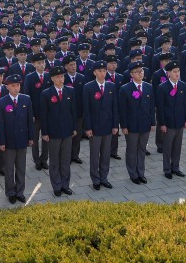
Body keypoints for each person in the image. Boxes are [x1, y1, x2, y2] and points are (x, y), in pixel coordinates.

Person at [0, 74, 35, 203]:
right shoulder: (1, 102)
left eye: (18, 85)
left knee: (21, 168)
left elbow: (30, 120)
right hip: (9, 142)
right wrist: (2, 142)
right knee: (9, 169)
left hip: (22, 140)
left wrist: (31, 137)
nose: (16, 88)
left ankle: (20, 191)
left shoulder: (26, 99)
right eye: (13, 85)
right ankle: (10, 192)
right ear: (7, 87)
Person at [40, 65, 76, 196]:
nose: (61, 79)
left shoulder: (70, 91)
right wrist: (44, 133)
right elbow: (43, 115)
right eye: (58, 77)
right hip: (53, 132)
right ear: (52, 78)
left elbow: (73, 111)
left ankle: (65, 185)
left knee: (65, 160)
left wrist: (74, 128)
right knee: (54, 161)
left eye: (62, 76)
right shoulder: (46, 94)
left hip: (67, 132)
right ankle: (56, 185)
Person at [82, 60, 118, 190]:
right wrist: (88, 128)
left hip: (108, 126)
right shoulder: (88, 87)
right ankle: (95, 179)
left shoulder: (111, 86)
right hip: (95, 127)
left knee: (106, 154)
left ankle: (104, 178)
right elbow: (86, 110)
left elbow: (115, 107)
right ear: (94, 72)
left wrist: (115, 126)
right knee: (94, 154)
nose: (103, 73)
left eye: (104, 71)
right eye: (100, 71)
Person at [117, 61, 154, 184]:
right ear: (131, 74)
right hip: (132, 125)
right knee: (132, 150)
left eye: (142, 71)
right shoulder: (125, 89)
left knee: (142, 149)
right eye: (137, 72)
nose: (140, 74)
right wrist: (124, 126)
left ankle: (141, 172)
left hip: (145, 124)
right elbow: (122, 109)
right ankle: (133, 174)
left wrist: (153, 123)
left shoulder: (148, 87)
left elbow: (151, 107)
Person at [155, 60, 186, 179]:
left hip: (179, 121)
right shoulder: (163, 87)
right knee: (167, 147)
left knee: (177, 147)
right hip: (168, 123)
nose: (177, 74)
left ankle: (176, 167)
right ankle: (167, 169)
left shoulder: (183, 85)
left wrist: (185, 120)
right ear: (168, 73)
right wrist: (162, 123)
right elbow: (161, 107)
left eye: (178, 71)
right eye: (174, 72)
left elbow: (185, 104)